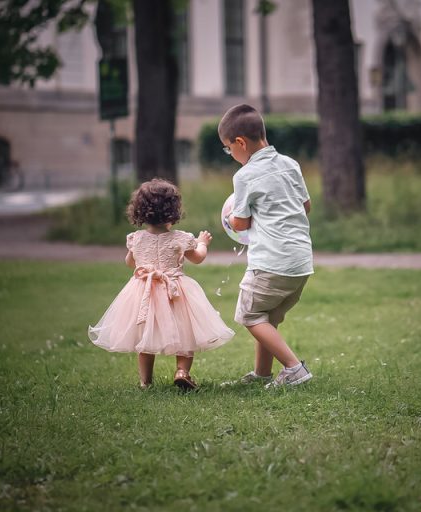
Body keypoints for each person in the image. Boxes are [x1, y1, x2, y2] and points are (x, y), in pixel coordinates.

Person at [88, 179, 235, 390]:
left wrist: (142, 262)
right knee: (185, 332)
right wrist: (202, 243)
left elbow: (130, 262)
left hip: (143, 290)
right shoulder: (180, 238)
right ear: (173, 210)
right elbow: (198, 258)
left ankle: (145, 382)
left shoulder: (136, 238)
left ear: (140, 211)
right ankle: (182, 371)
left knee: (145, 337)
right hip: (174, 290)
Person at [219, 104, 314, 388]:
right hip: (300, 263)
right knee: (267, 318)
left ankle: (295, 368)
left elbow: (239, 224)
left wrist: (229, 215)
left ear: (240, 143)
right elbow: (306, 206)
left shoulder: (244, 176)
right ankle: (261, 374)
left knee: (248, 314)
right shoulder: (290, 164)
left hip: (271, 263)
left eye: (228, 149)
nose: (230, 155)